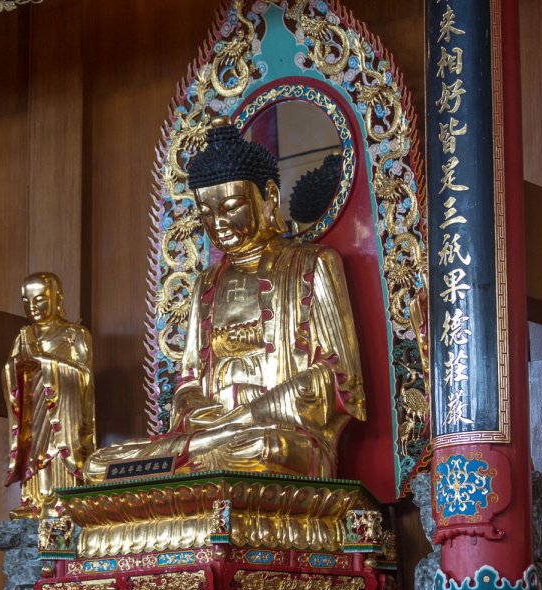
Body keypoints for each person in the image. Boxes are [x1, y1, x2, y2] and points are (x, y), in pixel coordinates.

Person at [85, 119, 364, 480]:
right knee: (100, 466)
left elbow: (339, 377)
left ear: (269, 198)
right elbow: (187, 382)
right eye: (206, 213)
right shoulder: (206, 284)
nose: (218, 223)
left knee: (261, 450)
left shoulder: (313, 264)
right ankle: (199, 453)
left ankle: (207, 451)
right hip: (208, 437)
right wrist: (198, 409)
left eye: (231, 206)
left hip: (279, 435)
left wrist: (247, 414)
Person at [3, 272, 95, 517]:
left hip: (64, 412)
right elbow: (10, 371)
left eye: (40, 299)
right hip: (33, 408)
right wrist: (17, 369)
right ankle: (34, 501)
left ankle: (62, 499)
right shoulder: (24, 337)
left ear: (57, 297)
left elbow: (83, 376)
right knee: (33, 450)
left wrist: (44, 363)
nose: (33, 307)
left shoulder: (75, 334)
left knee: (59, 447)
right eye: (27, 301)